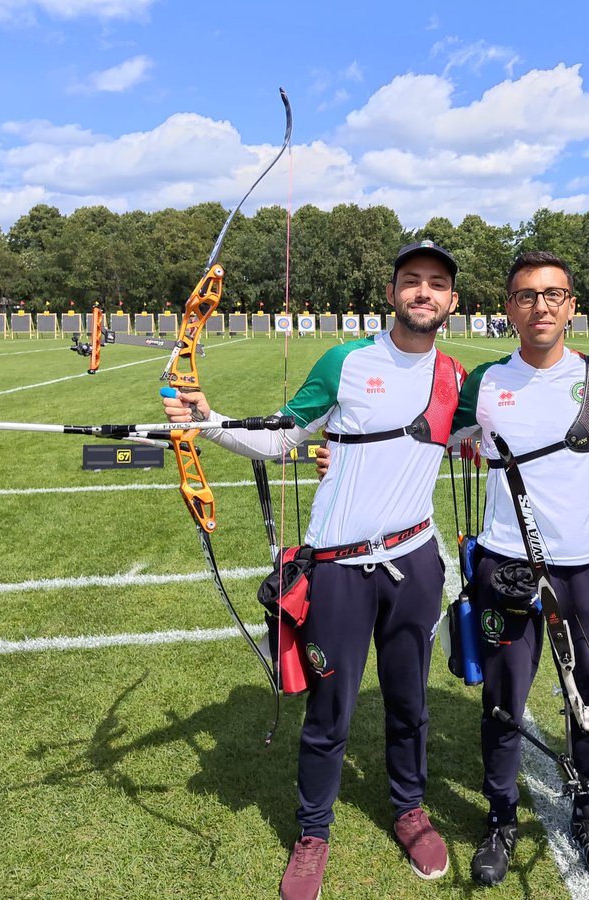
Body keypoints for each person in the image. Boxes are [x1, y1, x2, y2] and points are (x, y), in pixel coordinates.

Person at [163, 240, 466, 900]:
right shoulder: (346, 362)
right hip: (336, 570)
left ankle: (410, 810)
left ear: (452, 302)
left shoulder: (456, 380)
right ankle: (313, 832)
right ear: (391, 294)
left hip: (415, 563)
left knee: (410, 703)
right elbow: (280, 437)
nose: (423, 292)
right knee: (331, 710)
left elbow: (496, 439)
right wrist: (206, 422)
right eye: (410, 281)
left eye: (436, 284)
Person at [448, 251, 589, 885]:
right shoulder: (484, 382)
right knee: (504, 700)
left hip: (584, 567)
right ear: (509, 309)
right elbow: (433, 441)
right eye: (527, 295)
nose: (541, 306)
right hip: (505, 565)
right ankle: (500, 817)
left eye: (554, 295)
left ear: (573, 305)